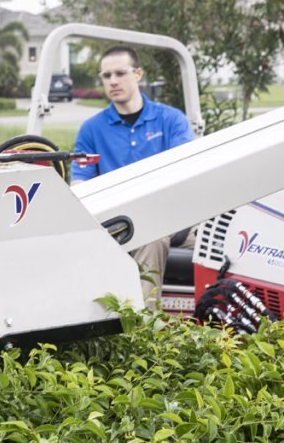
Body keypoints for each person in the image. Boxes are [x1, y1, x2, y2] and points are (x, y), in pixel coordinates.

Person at [71, 46, 195, 304]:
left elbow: (184, 174)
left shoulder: (171, 120)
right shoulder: (92, 130)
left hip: (173, 215)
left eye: (120, 73)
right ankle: (143, 331)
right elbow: (80, 183)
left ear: (138, 74)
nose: (113, 81)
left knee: (222, 245)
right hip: (118, 221)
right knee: (151, 236)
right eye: (106, 75)